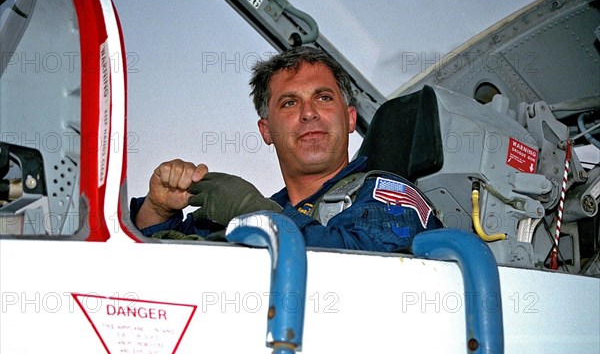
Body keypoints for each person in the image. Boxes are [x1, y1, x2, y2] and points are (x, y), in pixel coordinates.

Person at [130, 46, 442, 251]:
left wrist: (256, 214)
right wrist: (158, 210)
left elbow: (364, 261)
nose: (309, 113)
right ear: (266, 130)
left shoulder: (389, 196)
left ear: (349, 119)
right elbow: (157, 264)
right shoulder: (253, 211)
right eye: (290, 102)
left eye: (323, 98)